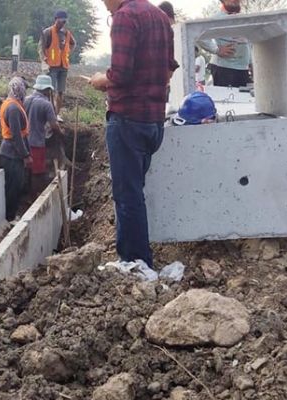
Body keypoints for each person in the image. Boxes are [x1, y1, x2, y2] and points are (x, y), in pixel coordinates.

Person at [89, 0, 178, 269]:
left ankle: (135, 263)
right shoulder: (161, 18)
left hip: (128, 120)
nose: (105, 6)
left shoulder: (125, 18)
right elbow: (169, 69)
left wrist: (99, 81)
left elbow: (121, 73)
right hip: (153, 121)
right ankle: (137, 257)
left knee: (127, 196)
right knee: (134, 192)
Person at [24, 74, 64, 195]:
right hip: (37, 142)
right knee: (38, 171)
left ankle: (25, 196)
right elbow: (54, 125)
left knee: (27, 169)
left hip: (24, 142)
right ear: (47, 90)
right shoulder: (46, 104)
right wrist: (61, 132)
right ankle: (35, 197)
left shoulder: (26, 100)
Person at [0, 76, 32, 222]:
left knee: (15, 185)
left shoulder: (13, 104)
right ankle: (10, 217)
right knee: (13, 186)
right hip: (12, 154)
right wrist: (25, 155)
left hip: (13, 153)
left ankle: (10, 214)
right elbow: (16, 136)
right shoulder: (12, 108)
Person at [197, 0, 251, 87]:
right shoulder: (217, 18)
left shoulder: (244, 19)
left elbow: (248, 43)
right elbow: (198, 34)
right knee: (227, 99)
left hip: (243, 69)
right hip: (225, 70)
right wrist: (217, 49)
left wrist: (251, 62)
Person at [39, 10, 76, 121]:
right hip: (52, 66)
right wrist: (44, 61)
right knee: (50, 91)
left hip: (63, 66)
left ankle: (56, 114)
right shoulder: (48, 32)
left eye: (64, 22)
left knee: (60, 91)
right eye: (61, 21)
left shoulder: (66, 33)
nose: (62, 24)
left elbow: (73, 43)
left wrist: (68, 52)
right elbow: (41, 48)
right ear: (56, 20)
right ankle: (48, 114)